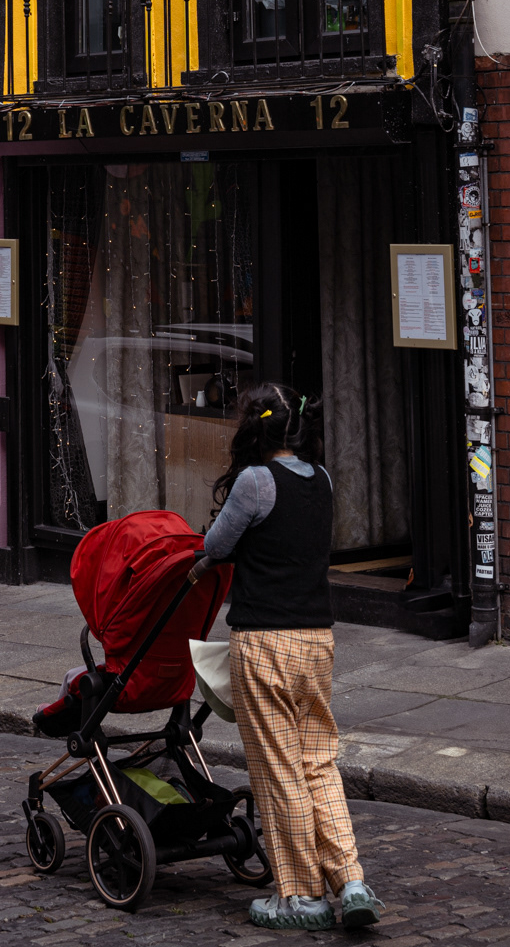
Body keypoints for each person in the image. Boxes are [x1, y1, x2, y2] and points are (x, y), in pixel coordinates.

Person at [203, 382, 384, 933]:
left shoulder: (256, 482)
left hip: (266, 642)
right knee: (318, 761)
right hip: (317, 640)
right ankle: (350, 880)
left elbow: (215, 547)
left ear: (254, 429)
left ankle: (300, 896)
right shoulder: (321, 479)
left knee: (279, 771)